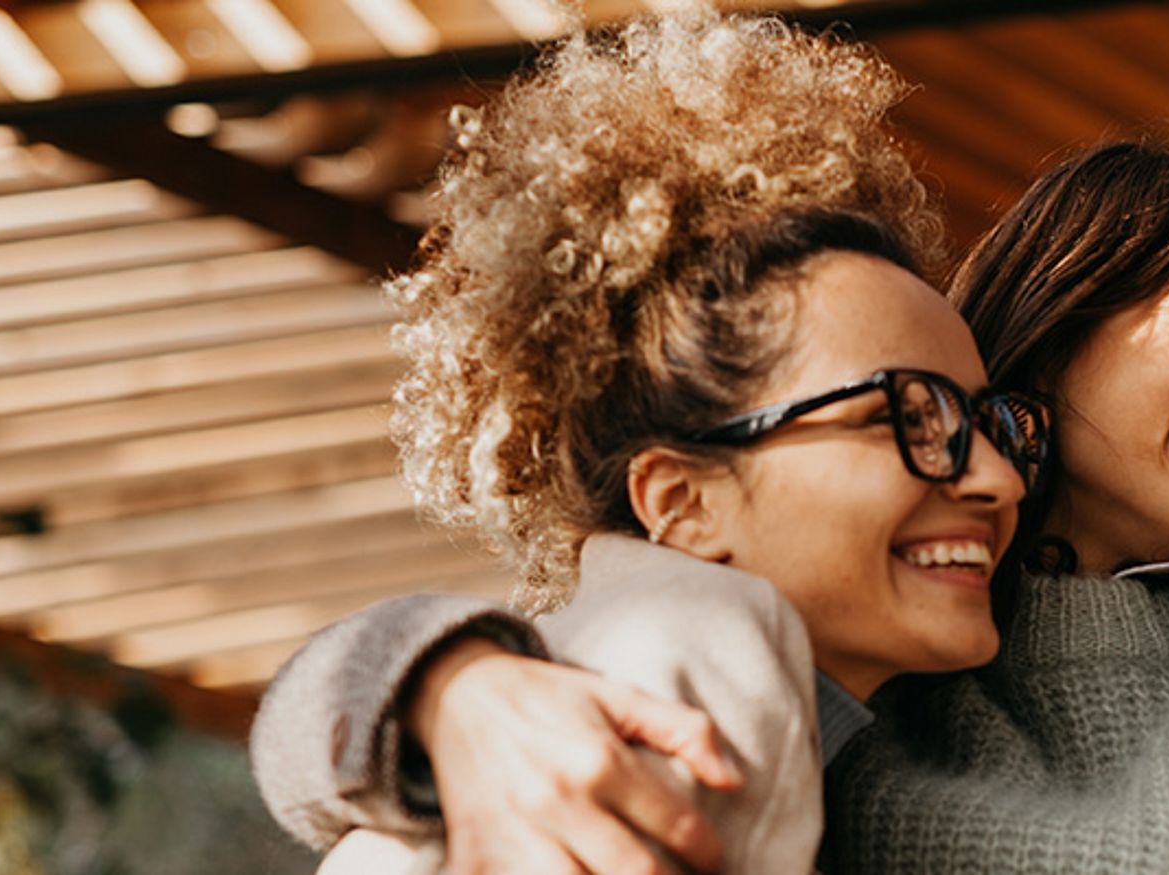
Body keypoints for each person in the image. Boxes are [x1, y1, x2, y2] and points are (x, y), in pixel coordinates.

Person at [247, 13, 1047, 873]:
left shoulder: (812, 728)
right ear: (683, 503)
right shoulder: (658, 691)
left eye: (989, 424)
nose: (999, 479)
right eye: (906, 416)